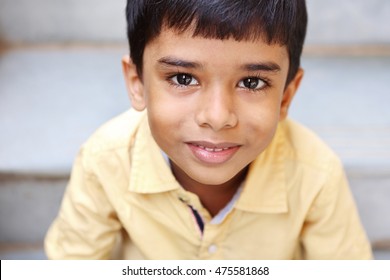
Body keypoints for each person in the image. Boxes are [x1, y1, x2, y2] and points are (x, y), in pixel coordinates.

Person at [45, 0, 372, 259]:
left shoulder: (316, 173)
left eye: (252, 82)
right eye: (183, 78)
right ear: (137, 83)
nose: (217, 117)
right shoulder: (105, 160)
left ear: (286, 95)